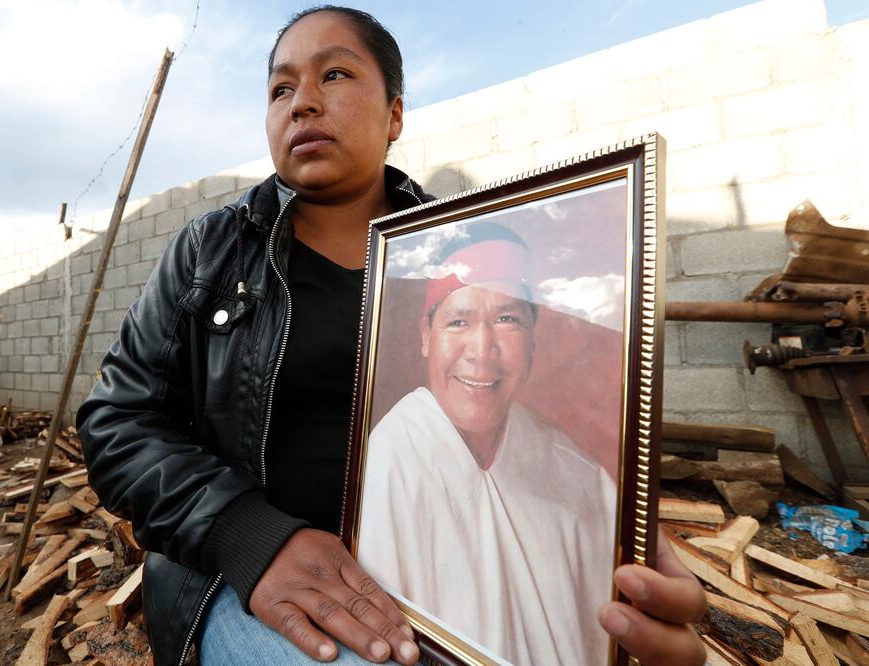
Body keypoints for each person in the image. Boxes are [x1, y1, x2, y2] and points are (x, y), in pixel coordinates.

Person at [77, 5, 707, 666]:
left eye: (336, 75)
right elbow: (118, 423)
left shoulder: (459, 254)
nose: (302, 104)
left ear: (395, 115)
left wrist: (598, 552)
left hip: (436, 588)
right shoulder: (210, 251)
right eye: (280, 89)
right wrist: (250, 537)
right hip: (240, 583)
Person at [357, 231, 617, 665]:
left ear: (534, 337)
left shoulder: (576, 471)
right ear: (427, 335)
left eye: (507, 320)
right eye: (458, 321)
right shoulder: (393, 453)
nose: (481, 350)